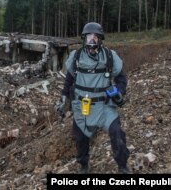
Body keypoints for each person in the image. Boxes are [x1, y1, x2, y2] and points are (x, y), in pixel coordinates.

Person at [55, 22, 131, 174]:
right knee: (80, 137)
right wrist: (64, 98)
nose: (92, 40)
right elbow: (69, 80)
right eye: (89, 36)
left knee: (117, 133)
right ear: (84, 38)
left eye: (96, 37)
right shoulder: (76, 57)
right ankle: (83, 165)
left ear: (100, 39)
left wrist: (119, 92)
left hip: (104, 106)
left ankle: (123, 166)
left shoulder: (109, 56)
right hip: (83, 106)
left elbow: (121, 79)